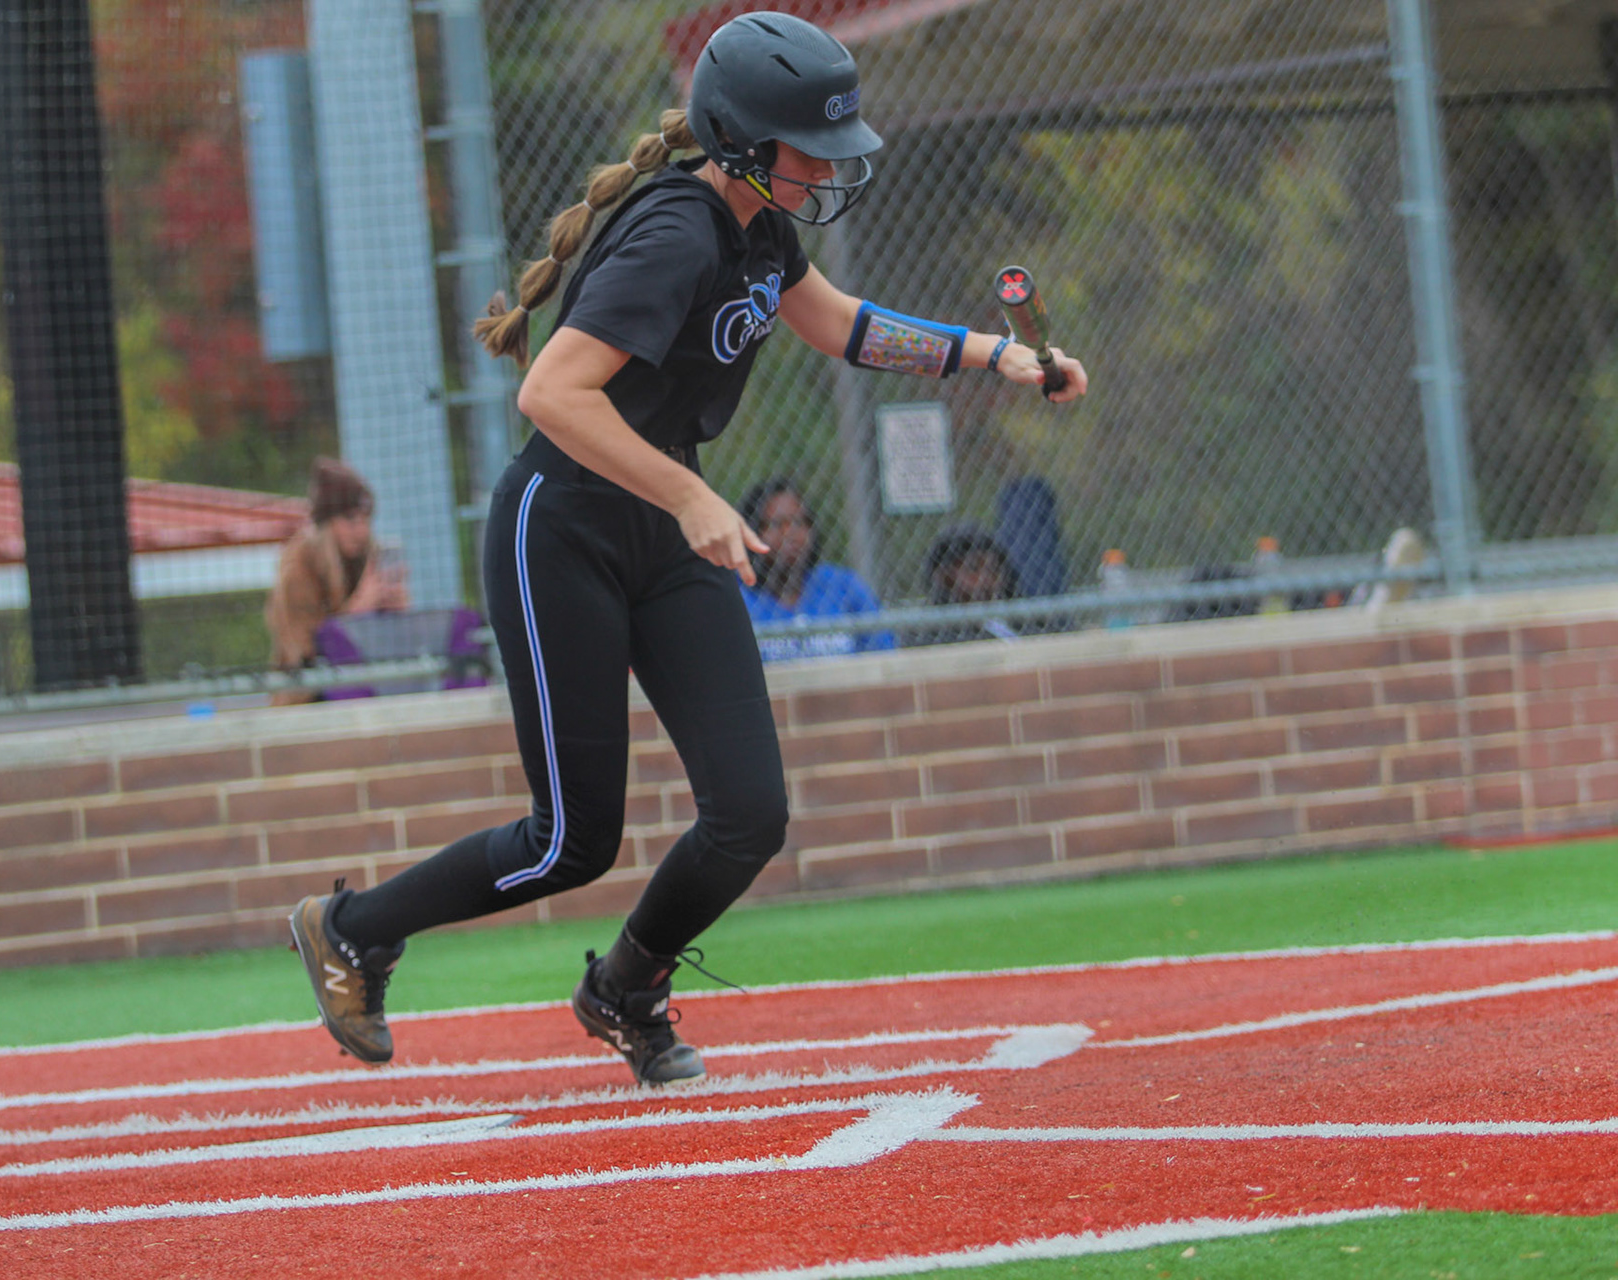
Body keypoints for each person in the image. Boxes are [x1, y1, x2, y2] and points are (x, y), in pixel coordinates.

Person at [286, 10, 1087, 1087]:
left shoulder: (761, 225)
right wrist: (688, 493)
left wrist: (995, 355)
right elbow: (550, 392)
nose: (829, 167)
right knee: (570, 841)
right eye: (811, 147)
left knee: (749, 814)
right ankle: (351, 929)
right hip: (562, 529)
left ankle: (625, 986)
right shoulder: (677, 232)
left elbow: (842, 324)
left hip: (662, 525)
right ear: (743, 142)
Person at [263, 457, 409, 705]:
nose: (362, 531)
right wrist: (357, 610)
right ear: (327, 522)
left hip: (367, 691)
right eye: (351, 520)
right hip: (308, 700)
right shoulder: (298, 567)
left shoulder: (367, 556)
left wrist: (393, 613)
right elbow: (305, 651)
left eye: (366, 519)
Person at [737, 478, 895, 660]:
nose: (789, 533)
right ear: (752, 532)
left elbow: (883, 653)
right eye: (775, 524)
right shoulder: (739, 596)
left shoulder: (843, 586)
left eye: (798, 522)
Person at [917, 522, 1020, 643]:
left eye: (993, 570)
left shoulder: (1008, 622)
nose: (985, 579)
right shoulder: (931, 632)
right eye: (973, 568)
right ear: (945, 577)